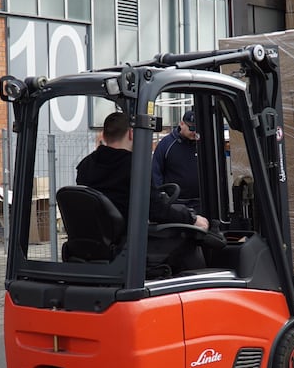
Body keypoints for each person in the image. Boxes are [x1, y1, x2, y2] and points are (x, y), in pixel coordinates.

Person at [76, 111, 209, 273]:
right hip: (128, 245)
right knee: (189, 242)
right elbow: (156, 210)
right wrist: (192, 218)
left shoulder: (85, 166)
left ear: (104, 134)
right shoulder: (134, 166)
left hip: (96, 245)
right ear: (132, 133)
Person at [151, 110, 201, 212]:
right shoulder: (166, 144)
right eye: (191, 128)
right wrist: (161, 198)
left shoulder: (202, 144)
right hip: (176, 203)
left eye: (197, 129)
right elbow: (156, 172)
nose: (194, 132)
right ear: (181, 124)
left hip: (200, 202)